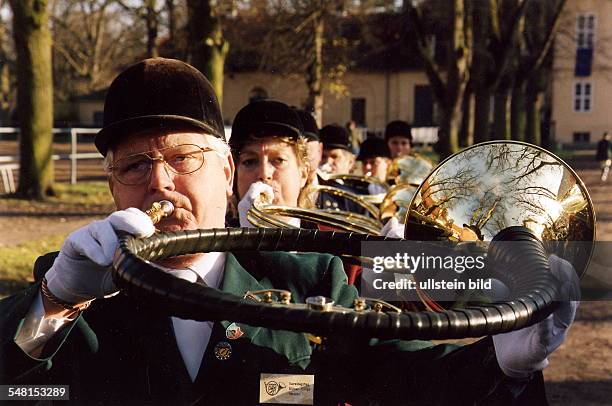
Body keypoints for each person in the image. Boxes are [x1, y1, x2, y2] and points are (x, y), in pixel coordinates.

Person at [0, 58, 577, 405]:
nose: (160, 182)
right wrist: (51, 306)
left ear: (224, 173)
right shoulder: (76, 287)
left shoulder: (309, 275)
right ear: (111, 188)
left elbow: (407, 380)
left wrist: (503, 363)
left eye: (185, 158)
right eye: (133, 166)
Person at [229, 99, 310, 228]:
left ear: (303, 174)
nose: (264, 174)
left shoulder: (335, 243)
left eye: (279, 160)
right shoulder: (212, 246)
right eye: (249, 162)